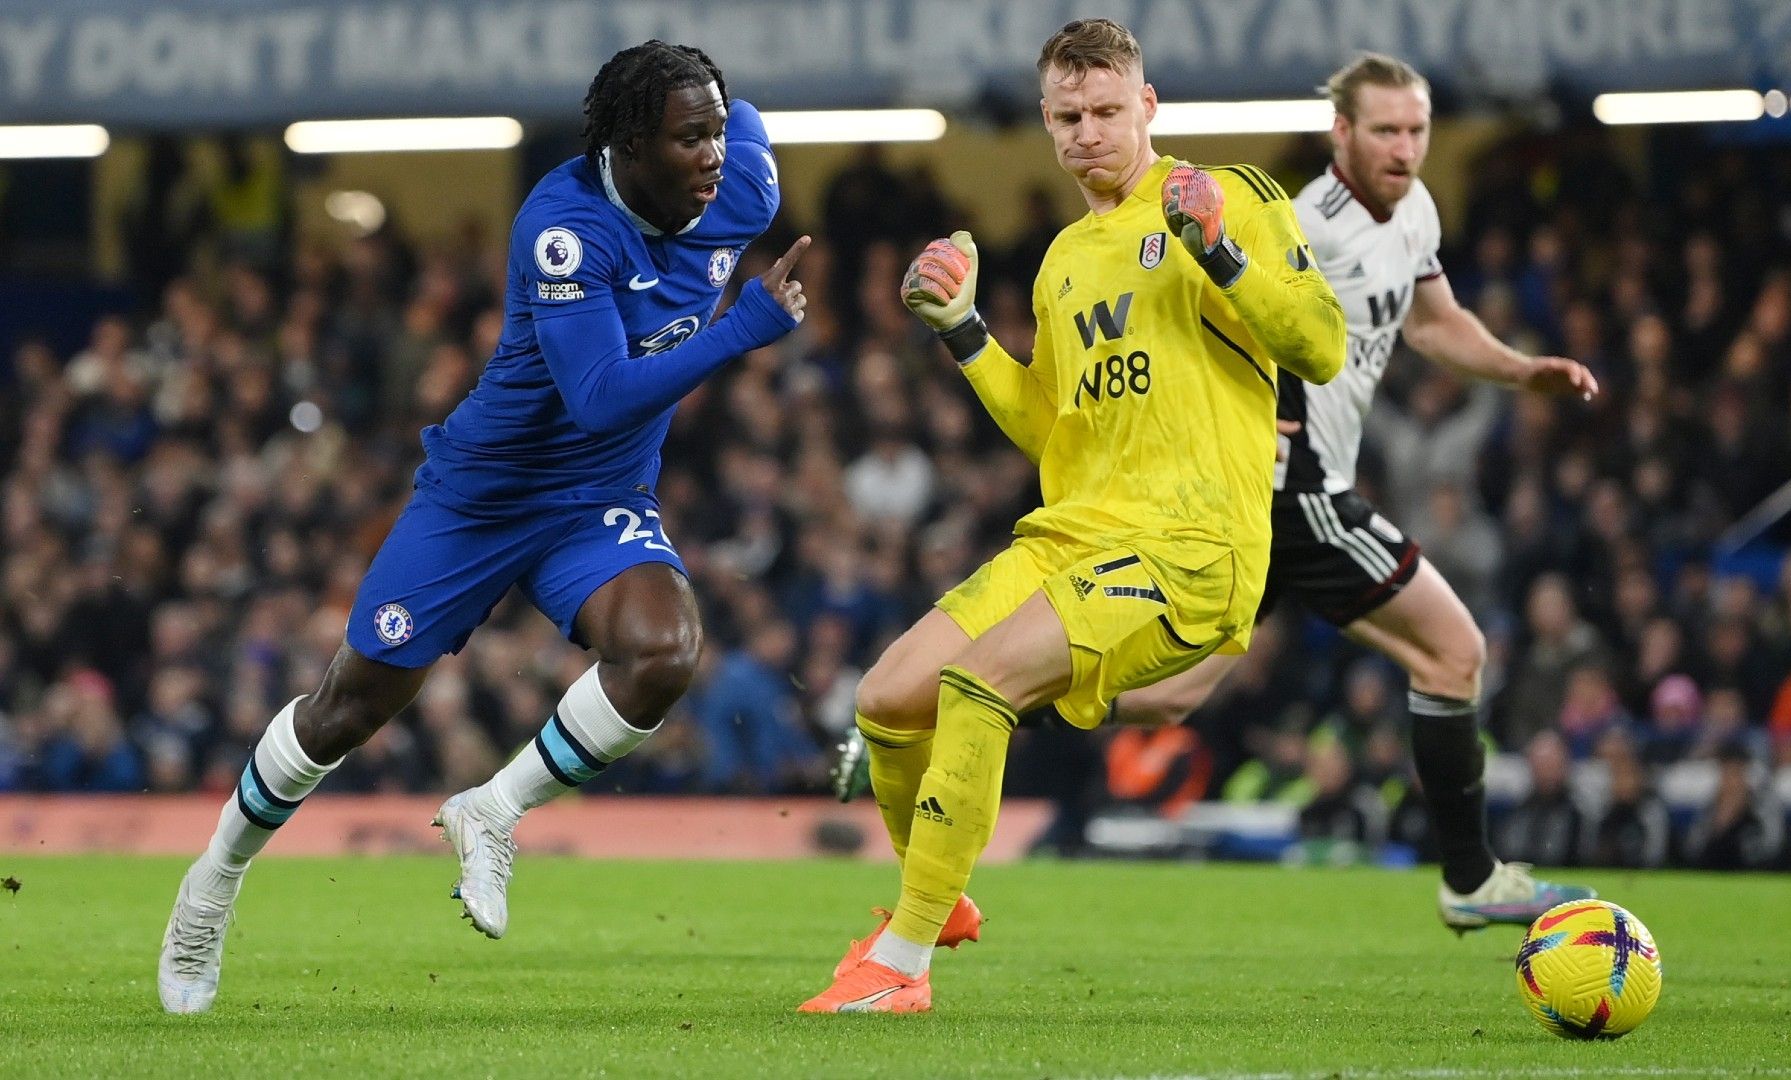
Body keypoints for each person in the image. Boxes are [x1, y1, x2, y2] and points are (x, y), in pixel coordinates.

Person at [157, 41, 810, 1014]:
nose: (715, 151)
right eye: (689, 137)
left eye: (717, 127)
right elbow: (596, 396)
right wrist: (744, 329)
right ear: (631, 144)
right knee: (347, 710)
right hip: (481, 497)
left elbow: (606, 432)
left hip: (598, 499)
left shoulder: (747, 178)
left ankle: (492, 811)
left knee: (664, 652)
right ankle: (210, 884)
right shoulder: (563, 228)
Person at [801, 17, 1345, 1014]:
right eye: (1068, 116)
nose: (1088, 132)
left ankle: (902, 964)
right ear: (1048, 124)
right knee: (885, 700)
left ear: (1148, 107)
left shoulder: (1225, 198)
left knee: (979, 684)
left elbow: (1320, 345)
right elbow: (1054, 434)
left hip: (1191, 543)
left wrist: (1219, 252)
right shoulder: (1060, 261)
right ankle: (940, 894)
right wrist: (965, 332)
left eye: (1106, 111)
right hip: (1073, 532)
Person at [1104, 53, 1599, 932]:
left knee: (1170, 691)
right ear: (1343, 133)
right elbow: (1228, 315)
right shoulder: (1301, 224)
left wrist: (1523, 372)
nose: (1405, 148)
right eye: (1385, 131)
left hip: (1283, 492)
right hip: (1294, 483)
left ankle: (983, 699)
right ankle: (1473, 877)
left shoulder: (1415, 212)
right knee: (1455, 650)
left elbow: (1436, 322)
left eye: (1417, 131)